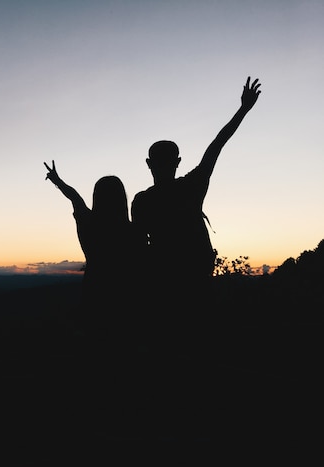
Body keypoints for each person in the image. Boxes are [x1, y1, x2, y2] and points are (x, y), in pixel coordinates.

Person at [131, 76, 262, 358]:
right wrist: (243, 109)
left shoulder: (142, 201)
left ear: (148, 164)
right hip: (197, 285)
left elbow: (139, 250)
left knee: (170, 350)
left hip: (163, 289)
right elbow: (217, 144)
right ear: (177, 162)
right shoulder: (193, 185)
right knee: (200, 347)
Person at [44, 160, 145, 342]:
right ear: (122, 198)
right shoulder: (133, 231)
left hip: (95, 290)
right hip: (128, 297)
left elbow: (75, 198)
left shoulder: (89, 223)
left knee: (96, 342)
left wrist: (57, 181)